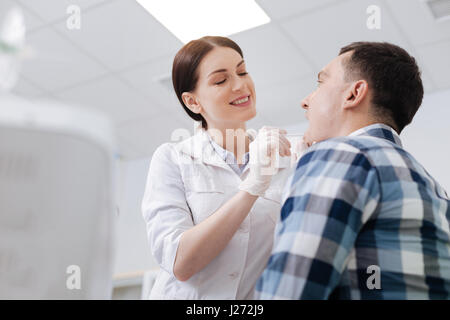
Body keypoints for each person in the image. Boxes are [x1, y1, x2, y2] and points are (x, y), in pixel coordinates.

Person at [256, 41, 450, 299]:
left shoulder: (340, 154)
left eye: (320, 83)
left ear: (353, 94)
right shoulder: (431, 184)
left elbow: (288, 292)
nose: (305, 102)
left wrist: (312, 168)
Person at [141, 36, 301, 299]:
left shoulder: (285, 159)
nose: (241, 85)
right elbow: (181, 263)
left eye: (242, 71)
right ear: (193, 102)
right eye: (221, 80)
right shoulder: (173, 159)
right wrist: (254, 185)